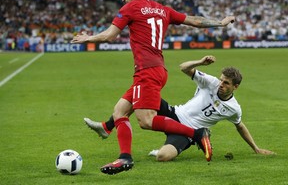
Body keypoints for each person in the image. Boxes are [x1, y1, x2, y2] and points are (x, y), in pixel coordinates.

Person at [71, 0, 236, 175]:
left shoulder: (131, 7)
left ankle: (196, 133)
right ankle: (111, 136)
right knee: (120, 111)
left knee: (146, 120)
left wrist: (88, 37)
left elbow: (109, 35)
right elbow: (195, 20)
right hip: (158, 69)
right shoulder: (163, 9)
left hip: (146, 71)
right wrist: (220, 22)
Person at [85, 55, 275, 162]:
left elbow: (240, 126)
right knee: (140, 92)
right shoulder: (210, 82)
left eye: (226, 83)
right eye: (221, 80)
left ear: (235, 87)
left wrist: (256, 148)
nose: (221, 84)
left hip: (186, 134)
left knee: (162, 157)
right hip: (174, 113)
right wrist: (200, 62)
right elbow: (183, 67)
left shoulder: (233, 108)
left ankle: (195, 135)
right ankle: (107, 126)